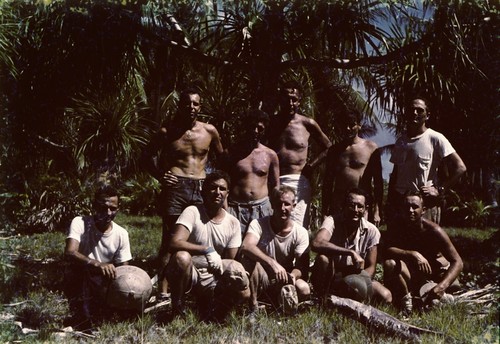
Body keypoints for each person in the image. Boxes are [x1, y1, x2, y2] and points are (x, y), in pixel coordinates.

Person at [141, 88, 224, 299]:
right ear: (180, 105)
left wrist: (218, 183)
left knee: (200, 234)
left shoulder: (210, 131)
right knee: (170, 239)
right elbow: (145, 156)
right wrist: (161, 175)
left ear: (200, 107)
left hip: (201, 186)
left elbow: (223, 158)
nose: (191, 108)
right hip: (176, 187)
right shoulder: (167, 131)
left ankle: (194, 283)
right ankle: (163, 291)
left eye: (195, 104)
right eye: (187, 104)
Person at [166, 171, 249, 320]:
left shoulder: (233, 222)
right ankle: (177, 308)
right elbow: (174, 243)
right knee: (181, 257)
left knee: (243, 288)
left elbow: (230, 260)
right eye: (212, 188)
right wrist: (206, 249)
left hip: (214, 274)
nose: (217, 192)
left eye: (222, 189)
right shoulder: (192, 212)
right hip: (192, 273)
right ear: (203, 191)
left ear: (227, 193)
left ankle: (216, 308)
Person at [388, 97, 466, 224]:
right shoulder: (401, 141)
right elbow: (395, 173)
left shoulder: (435, 138)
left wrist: (439, 189)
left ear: (427, 115)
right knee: (400, 242)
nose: (415, 113)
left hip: (425, 205)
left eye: (419, 110)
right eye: (411, 110)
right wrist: (390, 203)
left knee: (426, 242)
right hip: (401, 204)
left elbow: (461, 168)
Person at [64, 184, 132, 329]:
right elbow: (70, 252)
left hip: (103, 280)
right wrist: (97, 264)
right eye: (103, 207)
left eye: (113, 209)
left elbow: (125, 269)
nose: (108, 213)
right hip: (81, 273)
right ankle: (85, 319)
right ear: (95, 206)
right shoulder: (80, 222)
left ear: (118, 209)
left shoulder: (121, 233)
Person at [383, 191, 463, 314]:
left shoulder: (434, 231)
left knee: (453, 286)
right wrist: (412, 254)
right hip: (409, 272)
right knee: (390, 264)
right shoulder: (396, 226)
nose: (410, 210)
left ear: (423, 210)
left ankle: (431, 292)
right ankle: (406, 301)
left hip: (432, 272)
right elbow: (386, 250)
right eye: (407, 207)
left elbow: (457, 261)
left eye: (415, 207)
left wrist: (442, 286)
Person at [311, 188, 392, 304]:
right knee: (323, 259)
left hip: (356, 275)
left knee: (386, 296)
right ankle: (322, 298)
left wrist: (358, 282)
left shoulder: (372, 231)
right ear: (343, 206)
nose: (355, 210)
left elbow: (371, 267)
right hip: (333, 274)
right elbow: (316, 243)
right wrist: (349, 252)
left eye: (360, 206)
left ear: (365, 209)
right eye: (351, 205)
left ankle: (352, 298)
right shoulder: (332, 221)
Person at [268, 81, 331, 229]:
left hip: (299, 181)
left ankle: (301, 253)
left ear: (299, 101)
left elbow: (329, 147)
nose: (290, 103)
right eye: (286, 98)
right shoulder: (271, 123)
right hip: (274, 180)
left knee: (298, 227)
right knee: (273, 226)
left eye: (294, 99)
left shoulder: (307, 123)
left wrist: (311, 166)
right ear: (280, 99)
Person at [240, 186, 310, 315]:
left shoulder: (301, 232)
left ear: (293, 206)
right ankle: (253, 306)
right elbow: (246, 246)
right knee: (250, 258)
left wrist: (293, 276)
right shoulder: (258, 224)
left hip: (284, 278)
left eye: (287, 204)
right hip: (262, 277)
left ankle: (280, 306)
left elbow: (302, 266)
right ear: (272, 205)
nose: (282, 208)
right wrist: (271, 263)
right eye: (279, 204)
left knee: (304, 289)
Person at [322, 110, 383, 225]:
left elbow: (378, 183)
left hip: (361, 205)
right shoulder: (334, 150)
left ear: (359, 125)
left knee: (361, 239)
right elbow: (327, 183)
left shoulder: (371, 148)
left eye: (352, 124)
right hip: (339, 204)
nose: (348, 128)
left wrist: (377, 211)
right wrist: (324, 211)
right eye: (345, 125)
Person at [224, 109, 280, 236]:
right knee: (234, 247)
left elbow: (276, 186)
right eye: (252, 127)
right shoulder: (232, 152)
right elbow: (223, 182)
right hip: (235, 208)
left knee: (260, 246)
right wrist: (225, 208)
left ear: (264, 130)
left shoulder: (270, 155)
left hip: (262, 208)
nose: (255, 131)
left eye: (260, 128)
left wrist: (274, 209)